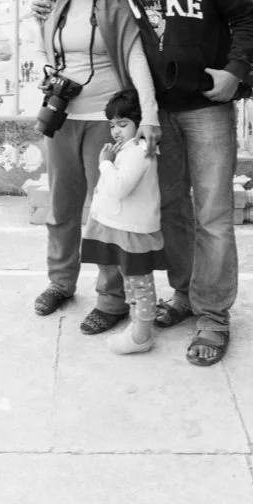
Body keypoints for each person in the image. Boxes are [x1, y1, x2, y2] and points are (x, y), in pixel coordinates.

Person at [111, 0, 253, 368]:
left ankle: (214, 316)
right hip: (158, 114)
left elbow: (246, 17)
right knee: (172, 208)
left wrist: (236, 70)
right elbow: (94, 18)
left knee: (213, 215)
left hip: (206, 108)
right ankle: (185, 295)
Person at [33, 0, 161, 336]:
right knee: (61, 205)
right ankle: (60, 282)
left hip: (109, 124)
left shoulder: (114, 4)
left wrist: (150, 115)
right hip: (63, 118)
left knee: (106, 211)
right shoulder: (57, 3)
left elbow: (135, 57)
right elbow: (49, 55)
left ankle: (111, 299)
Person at [80, 89, 165, 356]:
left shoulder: (139, 151)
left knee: (140, 283)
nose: (116, 131)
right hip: (123, 226)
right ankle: (136, 326)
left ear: (140, 124)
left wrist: (104, 163)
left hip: (132, 229)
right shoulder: (130, 149)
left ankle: (141, 335)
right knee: (131, 280)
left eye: (123, 124)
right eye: (112, 125)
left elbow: (120, 187)